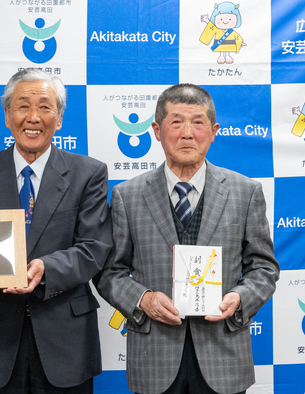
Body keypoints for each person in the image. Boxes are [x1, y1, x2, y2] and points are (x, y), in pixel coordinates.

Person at [95, 83, 279, 394]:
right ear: (156, 129)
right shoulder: (127, 195)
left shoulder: (245, 192)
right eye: (176, 122)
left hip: (224, 355)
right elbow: (110, 272)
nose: (187, 133)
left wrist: (239, 299)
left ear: (214, 130)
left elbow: (264, 268)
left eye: (197, 122)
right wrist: (143, 299)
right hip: (154, 357)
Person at [0, 68, 113, 393]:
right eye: (23, 105)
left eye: (45, 106)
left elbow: (94, 247)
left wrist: (45, 269)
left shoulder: (88, 173)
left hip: (65, 334)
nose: (33, 116)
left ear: (59, 118)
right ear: (8, 115)